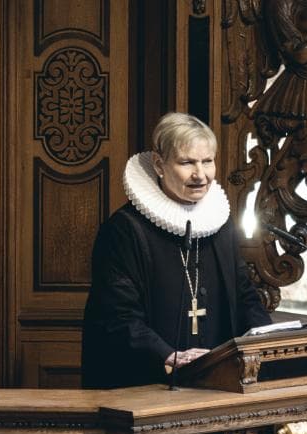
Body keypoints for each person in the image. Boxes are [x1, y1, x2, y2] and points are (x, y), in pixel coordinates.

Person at [81, 113, 272, 388]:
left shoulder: (220, 223)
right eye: (187, 162)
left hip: (219, 382)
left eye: (208, 161)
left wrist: (268, 339)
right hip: (149, 384)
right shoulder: (124, 230)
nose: (201, 174)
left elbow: (244, 296)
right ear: (159, 165)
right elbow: (117, 316)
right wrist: (168, 355)